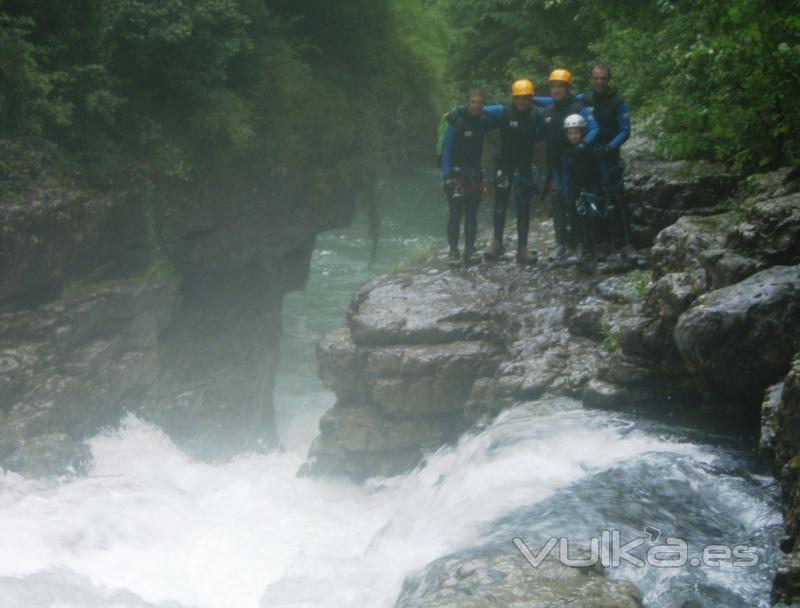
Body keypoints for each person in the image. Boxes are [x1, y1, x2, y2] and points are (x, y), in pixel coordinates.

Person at [481, 79, 543, 264]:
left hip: (524, 166)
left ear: (530, 98)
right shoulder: (504, 112)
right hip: (505, 165)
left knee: (523, 207)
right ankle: (497, 243)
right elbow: (480, 108)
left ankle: (522, 248)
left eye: (525, 98)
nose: (522, 101)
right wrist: (460, 111)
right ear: (514, 98)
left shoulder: (536, 115)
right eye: (518, 98)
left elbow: (551, 124)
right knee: (500, 205)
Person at [540, 69, 598, 259]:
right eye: (553, 87)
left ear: (567, 88)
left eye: (560, 87)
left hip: (576, 165)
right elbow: (539, 133)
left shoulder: (578, 107)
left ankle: (581, 243)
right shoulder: (547, 112)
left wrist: (583, 144)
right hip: (555, 167)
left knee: (577, 204)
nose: (556, 90)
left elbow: (594, 128)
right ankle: (561, 243)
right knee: (558, 206)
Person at [581, 64, 633, 257]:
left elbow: (625, 130)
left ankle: (624, 243)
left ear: (608, 79)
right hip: (591, 156)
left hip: (609, 155)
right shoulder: (585, 99)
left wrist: (610, 147)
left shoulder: (618, 101)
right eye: (596, 78)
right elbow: (560, 101)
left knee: (617, 198)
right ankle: (598, 243)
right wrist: (529, 98)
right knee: (594, 196)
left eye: (603, 78)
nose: (600, 81)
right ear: (591, 79)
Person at [440, 87, 495, 265]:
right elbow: (446, 150)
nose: (476, 105)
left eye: (479, 102)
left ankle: (470, 249)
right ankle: (453, 251)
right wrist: (447, 175)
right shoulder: (455, 122)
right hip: (456, 175)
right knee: (455, 214)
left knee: (472, 215)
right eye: (473, 102)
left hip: (474, 174)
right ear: (467, 102)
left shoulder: (484, 122)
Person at [561, 113, 603, 269]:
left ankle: (595, 245)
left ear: (582, 133)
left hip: (592, 186)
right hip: (577, 188)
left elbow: (598, 169)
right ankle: (584, 245)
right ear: (566, 135)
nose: (574, 136)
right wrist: (566, 191)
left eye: (577, 132)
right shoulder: (566, 153)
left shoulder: (590, 149)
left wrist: (602, 186)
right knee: (579, 216)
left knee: (593, 215)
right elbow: (565, 172)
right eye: (570, 133)